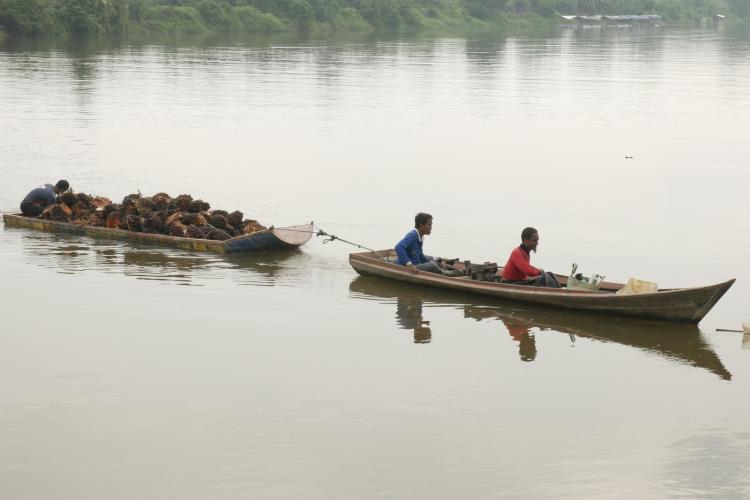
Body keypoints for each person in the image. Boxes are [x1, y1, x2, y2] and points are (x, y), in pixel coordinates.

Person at [395, 212, 461, 276]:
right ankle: (453, 274)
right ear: (421, 225)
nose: (431, 227)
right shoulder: (413, 235)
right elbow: (398, 247)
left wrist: (432, 262)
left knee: (434, 263)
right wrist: (409, 264)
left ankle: (451, 271)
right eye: (429, 225)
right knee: (432, 266)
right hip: (409, 267)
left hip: (417, 265)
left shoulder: (420, 237)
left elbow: (420, 255)